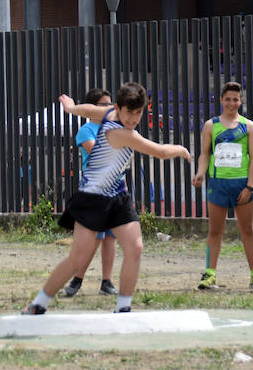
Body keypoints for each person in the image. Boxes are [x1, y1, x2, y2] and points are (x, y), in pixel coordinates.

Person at [22, 82, 191, 314]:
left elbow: (91, 111)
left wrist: (71, 108)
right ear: (118, 108)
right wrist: (182, 149)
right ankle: (37, 304)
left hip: (117, 196)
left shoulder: (110, 112)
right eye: (129, 112)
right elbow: (160, 152)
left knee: (135, 247)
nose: (133, 119)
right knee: (77, 259)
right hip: (93, 198)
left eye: (138, 113)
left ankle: (123, 308)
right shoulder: (120, 132)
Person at [192, 82, 253, 291]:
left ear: (241, 101)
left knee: (247, 229)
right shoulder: (211, 125)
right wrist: (200, 173)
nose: (231, 103)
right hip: (218, 184)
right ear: (221, 100)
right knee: (215, 230)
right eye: (228, 99)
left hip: (241, 184)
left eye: (235, 99)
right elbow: (204, 154)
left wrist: (250, 186)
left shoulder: (249, 126)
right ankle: (210, 273)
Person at [62, 88, 119, 297]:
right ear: (91, 108)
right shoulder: (86, 131)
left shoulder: (114, 127)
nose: (110, 107)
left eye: (110, 103)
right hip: (95, 189)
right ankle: (77, 279)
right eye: (104, 104)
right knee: (93, 238)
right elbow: (99, 154)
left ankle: (107, 281)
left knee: (111, 237)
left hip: (115, 187)